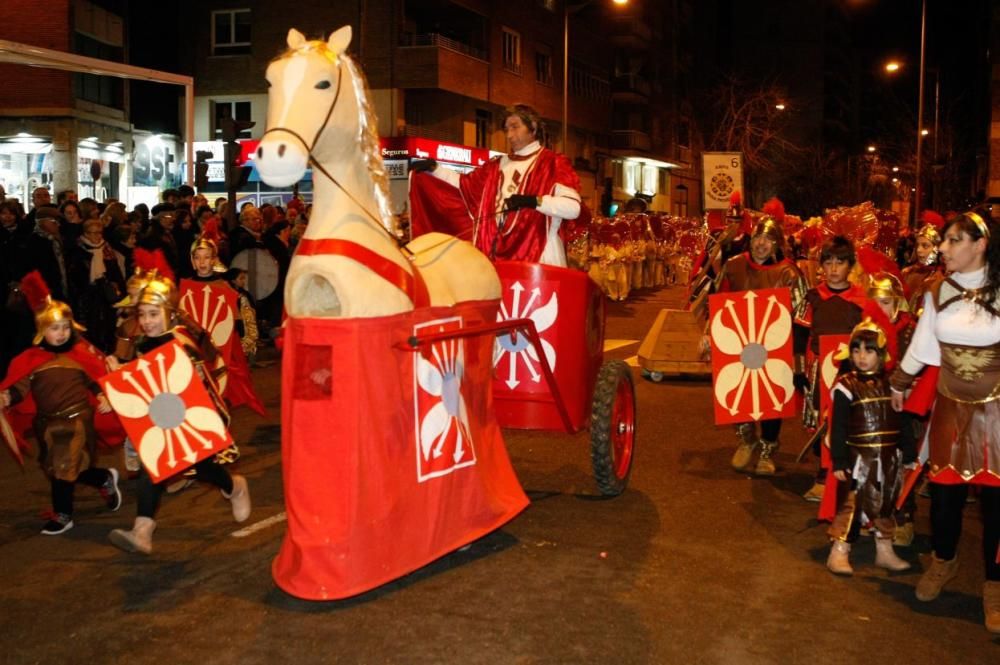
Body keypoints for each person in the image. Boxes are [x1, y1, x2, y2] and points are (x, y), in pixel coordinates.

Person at [890, 209, 1000, 634]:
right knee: (945, 497)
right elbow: (923, 348)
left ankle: (995, 584)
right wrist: (900, 383)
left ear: (980, 245)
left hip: (996, 412)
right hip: (951, 407)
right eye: (944, 240)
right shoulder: (936, 291)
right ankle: (943, 561)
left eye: (954, 240)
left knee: (995, 505)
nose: (943, 248)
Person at [107, 272, 251, 554]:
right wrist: (120, 377)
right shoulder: (141, 344)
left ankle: (234, 486)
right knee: (153, 468)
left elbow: (187, 388)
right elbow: (144, 387)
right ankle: (143, 530)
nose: (147, 321)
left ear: (170, 313)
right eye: (143, 314)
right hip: (159, 420)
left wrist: (129, 376)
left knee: (203, 469)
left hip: (187, 420)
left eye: (154, 314)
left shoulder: (182, 344)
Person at [0, 274, 121, 535]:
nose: (62, 333)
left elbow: (96, 380)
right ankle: (102, 478)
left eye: (66, 327)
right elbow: (20, 388)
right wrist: (8, 397)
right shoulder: (32, 359)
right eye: (55, 328)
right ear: (42, 330)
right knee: (61, 467)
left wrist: (104, 395)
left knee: (65, 465)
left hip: (78, 419)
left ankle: (64, 515)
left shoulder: (80, 356)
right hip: (47, 423)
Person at [413, 104, 582, 266]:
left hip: (542, 257)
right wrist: (435, 169)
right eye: (506, 129)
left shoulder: (553, 163)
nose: (509, 135)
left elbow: (573, 208)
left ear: (533, 127)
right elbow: (463, 185)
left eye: (515, 127)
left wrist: (533, 201)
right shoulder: (496, 165)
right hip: (496, 258)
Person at [714, 216, 807, 475]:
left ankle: (767, 450)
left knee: (771, 397)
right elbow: (719, 302)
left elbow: (800, 314)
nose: (761, 244)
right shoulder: (734, 266)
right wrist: (710, 333)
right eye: (757, 237)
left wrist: (797, 354)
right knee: (736, 392)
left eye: (767, 239)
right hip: (738, 343)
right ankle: (746, 440)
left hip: (775, 347)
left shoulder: (790, 273)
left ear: (777, 244)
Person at [825, 317, 914, 575]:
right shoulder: (846, 386)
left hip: (889, 457)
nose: (862, 356)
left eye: (869, 350)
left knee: (886, 504)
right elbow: (838, 426)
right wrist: (839, 461)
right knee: (851, 505)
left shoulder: (893, 384)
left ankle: (884, 549)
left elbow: (903, 419)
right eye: (856, 349)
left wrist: (908, 452)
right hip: (858, 459)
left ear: (881, 353)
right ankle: (839, 551)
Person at [793, 235, 868, 501]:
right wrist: (799, 370)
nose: (834, 268)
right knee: (821, 424)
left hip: (850, 374)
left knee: (849, 425)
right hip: (818, 372)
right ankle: (823, 476)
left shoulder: (861, 300)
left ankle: (848, 478)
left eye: (840, 262)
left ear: (850, 266)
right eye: (829, 262)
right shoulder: (812, 298)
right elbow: (799, 338)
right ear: (821, 265)